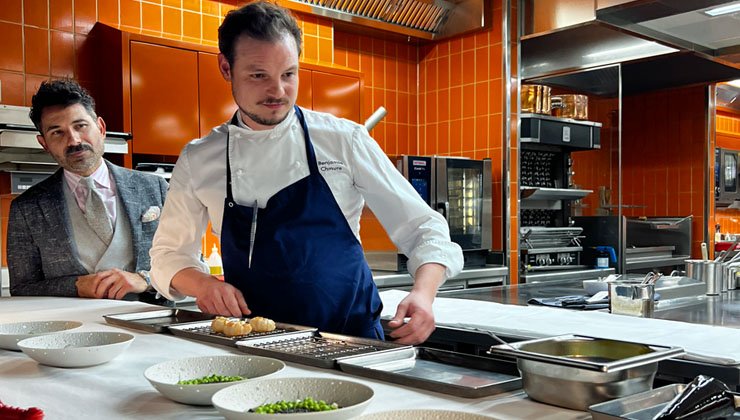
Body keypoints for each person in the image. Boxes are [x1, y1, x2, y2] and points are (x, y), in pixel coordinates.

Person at [149, 1, 463, 344]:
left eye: (288, 74)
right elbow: (167, 256)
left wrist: (424, 293)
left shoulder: (344, 140)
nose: (278, 91)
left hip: (351, 342)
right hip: (256, 345)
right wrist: (202, 284)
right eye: (258, 75)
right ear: (226, 67)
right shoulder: (200, 158)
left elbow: (424, 227)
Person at [7, 79, 169, 302]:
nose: (73, 140)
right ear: (44, 144)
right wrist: (74, 286)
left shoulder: (155, 188)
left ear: (101, 128)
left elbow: (187, 262)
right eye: (57, 133)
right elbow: (22, 287)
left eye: (80, 126)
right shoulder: (27, 208)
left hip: (150, 323)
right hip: (69, 330)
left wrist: (145, 279)